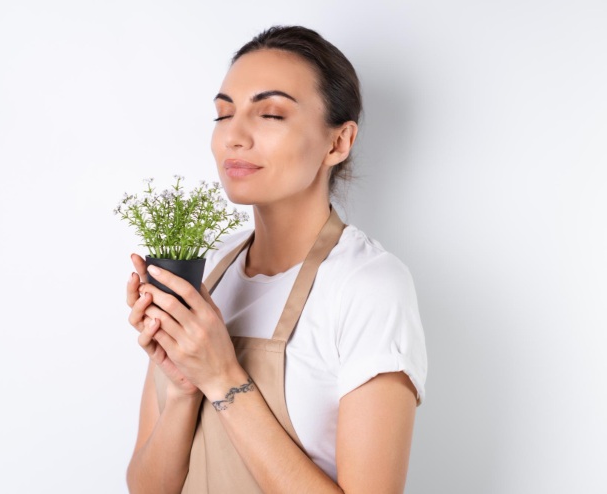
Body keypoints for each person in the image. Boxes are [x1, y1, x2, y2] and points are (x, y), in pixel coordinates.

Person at [125, 25, 427, 494]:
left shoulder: (366, 285)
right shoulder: (208, 274)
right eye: (223, 115)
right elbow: (147, 488)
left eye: (269, 114)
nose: (234, 137)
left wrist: (223, 377)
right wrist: (185, 387)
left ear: (338, 143)